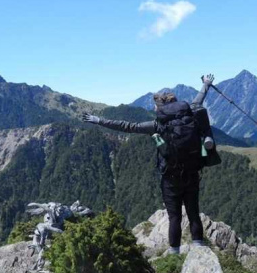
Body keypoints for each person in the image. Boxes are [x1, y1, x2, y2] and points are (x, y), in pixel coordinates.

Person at [81, 74, 215, 255]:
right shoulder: (189, 113)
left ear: (160, 106)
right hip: (192, 172)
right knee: (193, 212)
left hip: (171, 177)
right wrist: (206, 84)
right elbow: (200, 98)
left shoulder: (157, 125)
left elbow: (127, 126)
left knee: (174, 216)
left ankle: (174, 253)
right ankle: (199, 248)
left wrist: (99, 121)